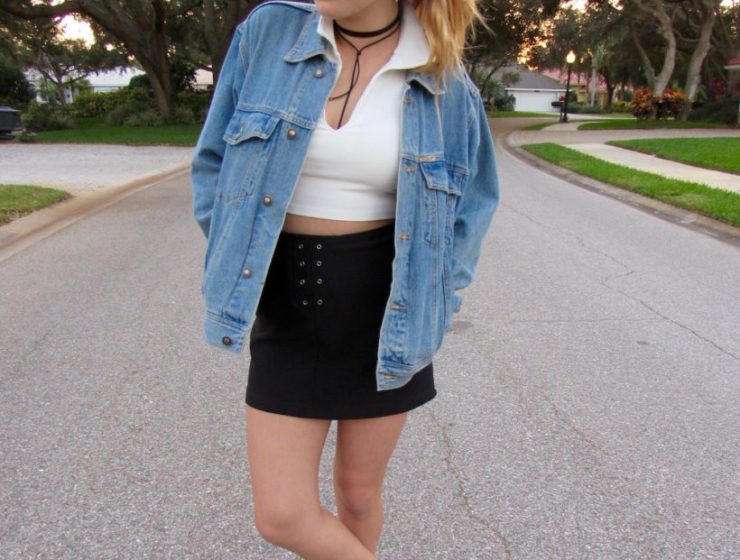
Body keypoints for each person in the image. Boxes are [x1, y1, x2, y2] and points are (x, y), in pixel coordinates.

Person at [190, 0, 499, 557]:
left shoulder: (443, 78)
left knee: (358, 495)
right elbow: (213, 162)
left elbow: (472, 208)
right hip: (287, 310)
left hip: (388, 318)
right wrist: (233, 249)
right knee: (282, 515)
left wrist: (438, 299)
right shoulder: (270, 32)